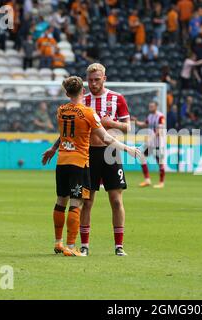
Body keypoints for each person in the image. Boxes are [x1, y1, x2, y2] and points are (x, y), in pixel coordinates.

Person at [42, 76, 140, 257]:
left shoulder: (60, 110)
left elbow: (65, 134)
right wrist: (128, 149)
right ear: (83, 91)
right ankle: (71, 246)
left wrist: (54, 148)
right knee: (77, 203)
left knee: (60, 201)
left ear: (66, 93)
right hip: (80, 161)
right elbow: (107, 138)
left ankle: (58, 242)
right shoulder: (88, 112)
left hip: (62, 161)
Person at [134, 101, 166, 188]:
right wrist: (136, 122)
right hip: (151, 143)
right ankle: (147, 180)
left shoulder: (160, 116)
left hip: (159, 143)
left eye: (152, 106)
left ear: (156, 107)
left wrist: (151, 138)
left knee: (160, 162)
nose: (150, 108)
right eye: (149, 106)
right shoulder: (150, 116)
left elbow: (159, 130)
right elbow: (145, 124)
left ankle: (161, 183)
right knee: (142, 156)